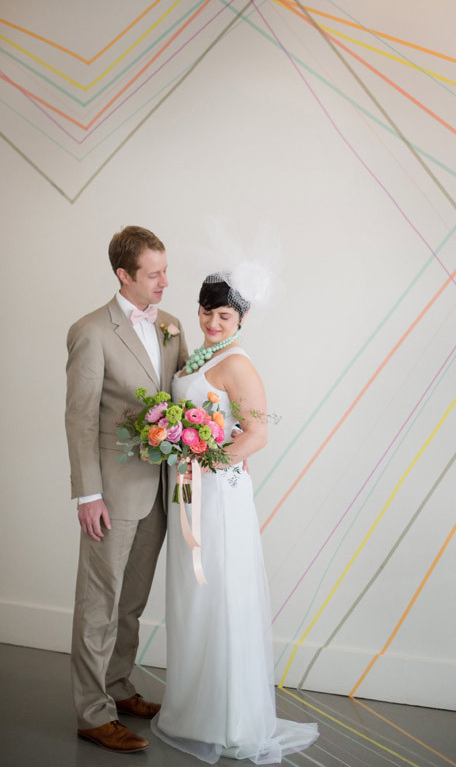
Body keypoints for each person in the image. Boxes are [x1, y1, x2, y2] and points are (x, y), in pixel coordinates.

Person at [151, 270, 318, 763]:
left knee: (218, 595)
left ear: (241, 318)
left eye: (224, 315)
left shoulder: (238, 364)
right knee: (192, 598)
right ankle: (192, 710)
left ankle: (227, 719)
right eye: (207, 312)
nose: (213, 322)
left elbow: (257, 434)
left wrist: (203, 461)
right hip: (189, 492)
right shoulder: (200, 356)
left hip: (217, 497)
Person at [65, 225, 188, 753]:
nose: (164, 282)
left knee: (132, 602)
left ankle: (117, 687)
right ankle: (92, 714)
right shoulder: (91, 331)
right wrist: (87, 494)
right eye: (154, 273)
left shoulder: (172, 326)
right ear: (124, 274)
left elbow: (184, 397)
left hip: (158, 490)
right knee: (99, 602)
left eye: (165, 270)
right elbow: (79, 418)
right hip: (111, 495)